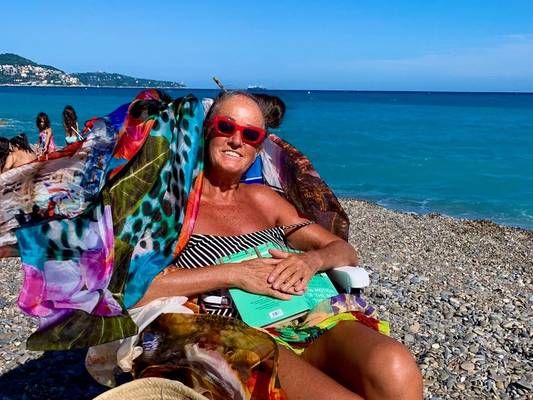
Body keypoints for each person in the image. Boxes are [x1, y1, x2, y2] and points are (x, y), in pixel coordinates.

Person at [132, 91, 423, 400]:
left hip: (303, 316)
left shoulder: (265, 201)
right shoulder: (172, 205)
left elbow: (343, 250)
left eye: (251, 134)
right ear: (206, 132)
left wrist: (310, 261)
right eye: (226, 127)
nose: (236, 140)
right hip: (232, 333)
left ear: (259, 149)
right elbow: (133, 289)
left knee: (395, 366)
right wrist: (234, 274)